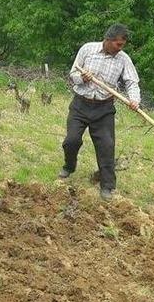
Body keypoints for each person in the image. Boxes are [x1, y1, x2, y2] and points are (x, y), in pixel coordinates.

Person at [60, 23, 141, 201]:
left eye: (123, 45)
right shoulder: (87, 49)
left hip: (104, 108)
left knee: (107, 146)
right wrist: (82, 78)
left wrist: (134, 100)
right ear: (108, 40)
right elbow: (73, 74)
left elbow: (131, 82)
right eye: (118, 44)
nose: (120, 48)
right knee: (71, 141)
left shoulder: (123, 59)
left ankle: (107, 186)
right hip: (80, 105)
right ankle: (69, 166)